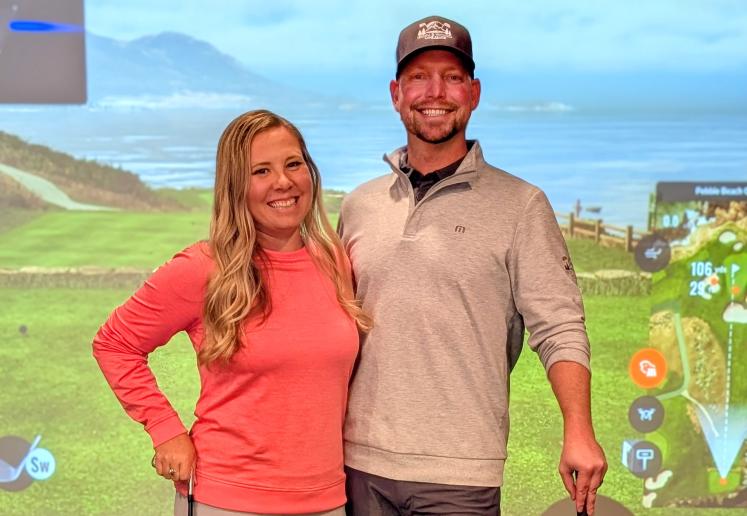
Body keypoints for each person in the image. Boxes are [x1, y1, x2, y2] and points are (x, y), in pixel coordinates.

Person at [338, 16, 608, 516]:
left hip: (461, 472)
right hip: (359, 462)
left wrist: (579, 430)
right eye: (419, 77)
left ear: (474, 93)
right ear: (396, 94)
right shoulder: (359, 205)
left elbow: (560, 326)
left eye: (452, 77)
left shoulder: (521, 205)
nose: (435, 92)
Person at [93, 110, 368, 515]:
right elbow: (115, 344)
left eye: (293, 164)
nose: (283, 181)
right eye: (261, 171)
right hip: (226, 500)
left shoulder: (334, 261)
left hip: (326, 500)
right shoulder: (202, 268)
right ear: (235, 185)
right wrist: (165, 430)